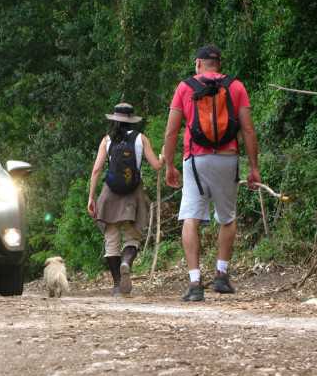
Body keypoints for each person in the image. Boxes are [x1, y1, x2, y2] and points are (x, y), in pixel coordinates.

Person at [163, 44, 261, 302]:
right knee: (227, 218)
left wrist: (170, 165)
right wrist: (254, 168)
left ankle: (195, 283)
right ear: (219, 64)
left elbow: (171, 131)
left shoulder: (185, 87)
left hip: (195, 159)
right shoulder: (236, 86)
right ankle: (221, 275)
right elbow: (248, 130)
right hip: (227, 158)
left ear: (198, 63)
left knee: (191, 218)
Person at [88, 103, 163, 295]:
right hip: (133, 193)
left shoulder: (107, 140)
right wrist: (163, 157)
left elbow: (96, 169)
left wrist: (91, 197)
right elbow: (156, 166)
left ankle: (116, 286)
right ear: (131, 120)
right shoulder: (141, 139)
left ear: (114, 119)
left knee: (111, 240)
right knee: (133, 236)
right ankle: (126, 262)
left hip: (110, 193)